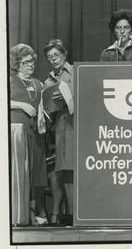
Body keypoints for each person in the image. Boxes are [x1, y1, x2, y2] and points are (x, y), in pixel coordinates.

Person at [10, 43, 48, 226]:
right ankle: (16, 214)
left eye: (31, 61)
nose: (29, 65)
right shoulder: (10, 81)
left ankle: (31, 214)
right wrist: (21, 105)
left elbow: (40, 104)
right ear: (17, 64)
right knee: (20, 173)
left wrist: (42, 114)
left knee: (35, 175)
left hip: (35, 134)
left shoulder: (39, 83)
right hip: (17, 133)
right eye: (25, 62)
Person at [43, 39, 74, 226]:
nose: (53, 59)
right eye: (49, 57)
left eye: (56, 55)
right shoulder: (47, 81)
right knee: (63, 170)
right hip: (58, 130)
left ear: (64, 54)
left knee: (74, 169)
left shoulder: (76, 72)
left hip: (75, 125)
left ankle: (75, 213)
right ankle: (69, 214)